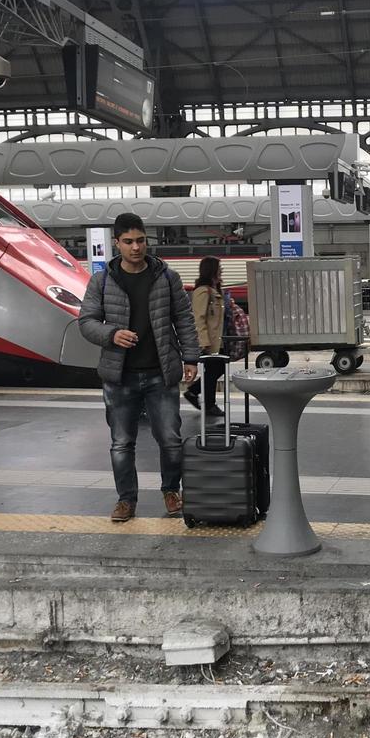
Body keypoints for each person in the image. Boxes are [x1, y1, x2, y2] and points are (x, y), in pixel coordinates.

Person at [78, 213, 200, 523]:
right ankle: (126, 500)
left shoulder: (166, 276)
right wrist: (111, 334)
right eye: (129, 242)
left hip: (161, 372)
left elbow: (183, 319)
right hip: (120, 377)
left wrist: (190, 357)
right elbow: (86, 322)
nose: (136, 247)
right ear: (116, 243)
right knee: (121, 442)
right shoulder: (102, 280)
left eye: (141, 240)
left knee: (171, 439)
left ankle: (172, 491)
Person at [183, 255, 225, 420]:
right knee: (214, 370)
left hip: (216, 340)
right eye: (219, 268)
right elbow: (198, 317)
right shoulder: (203, 291)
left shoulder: (214, 290)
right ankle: (206, 402)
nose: (221, 271)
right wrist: (204, 342)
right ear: (211, 271)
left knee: (215, 370)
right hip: (209, 342)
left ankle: (198, 396)